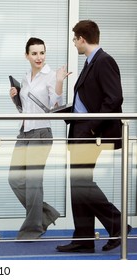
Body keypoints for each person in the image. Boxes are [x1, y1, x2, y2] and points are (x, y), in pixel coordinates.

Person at [56, 20, 132, 253]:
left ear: (82, 38)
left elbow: (114, 99)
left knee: (81, 182)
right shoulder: (91, 63)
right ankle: (84, 238)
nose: (74, 44)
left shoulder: (104, 61)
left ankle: (118, 224)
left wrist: (90, 127)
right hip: (80, 131)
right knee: (77, 182)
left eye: (74, 39)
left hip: (90, 133)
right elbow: (88, 101)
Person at [8, 37, 71, 240]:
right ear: (26, 55)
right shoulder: (26, 77)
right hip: (24, 132)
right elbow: (25, 109)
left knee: (33, 183)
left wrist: (60, 80)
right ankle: (47, 214)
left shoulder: (51, 75)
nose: (39, 57)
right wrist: (15, 98)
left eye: (42, 53)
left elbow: (54, 104)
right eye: (34, 53)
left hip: (41, 133)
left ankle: (32, 229)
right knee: (15, 179)